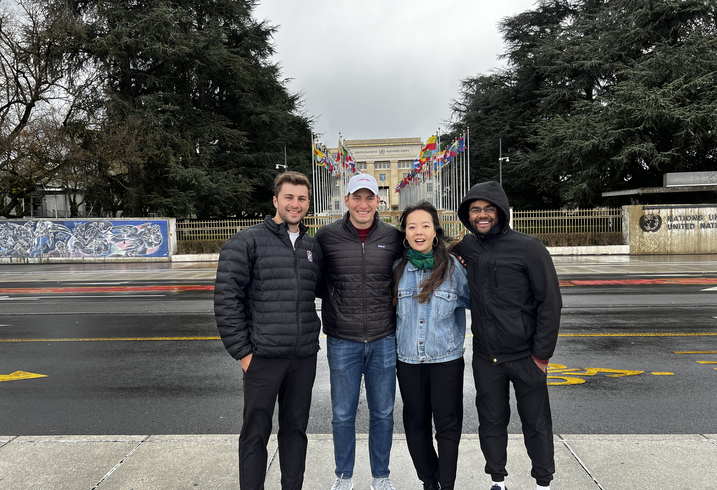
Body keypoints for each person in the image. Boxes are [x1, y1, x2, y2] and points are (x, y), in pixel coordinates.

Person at [214, 171, 323, 490]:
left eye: (302, 198)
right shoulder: (247, 241)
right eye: (289, 197)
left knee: (294, 431)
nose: (295, 204)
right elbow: (226, 298)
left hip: (303, 359)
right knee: (255, 433)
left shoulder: (312, 247)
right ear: (275, 200)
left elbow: (327, 289)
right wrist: (244, 354)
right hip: (262, 358)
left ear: (307, 203)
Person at [454, 181, 562, 490]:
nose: (482, 215)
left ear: (500, 211)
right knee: (490, 422)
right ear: (468, 215)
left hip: (526, 356)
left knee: (536, 423)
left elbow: (550, 302)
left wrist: (541, 356)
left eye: (488, 209)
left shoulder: (529, 247)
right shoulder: (468, 247)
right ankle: (498, 480)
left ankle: (543, 482)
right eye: (475, 210)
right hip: (487, 357)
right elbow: (440, 252)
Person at [315, 174, 402, 490]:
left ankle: (381, 476)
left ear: (377, 201)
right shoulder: (326, 237)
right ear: (347, 200)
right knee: (342, 415)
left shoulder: (393, 237)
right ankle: (344, 476)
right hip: (342, 340)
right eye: (357, 197)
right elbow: (316, 281)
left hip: (384, 339)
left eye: (369, 198)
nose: (363, 204)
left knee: (383, 414)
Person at [392, 201, 470, 490]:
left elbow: (480, 302)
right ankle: (429, 480)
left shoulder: (453, 269)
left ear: (435, 231)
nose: (419, 231)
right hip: (409, 362)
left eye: (425, 225)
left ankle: (447, 484)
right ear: (405, 233)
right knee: (416, 426)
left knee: (448, 427)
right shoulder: (397, 269)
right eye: (412, 226)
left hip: (446, 360)